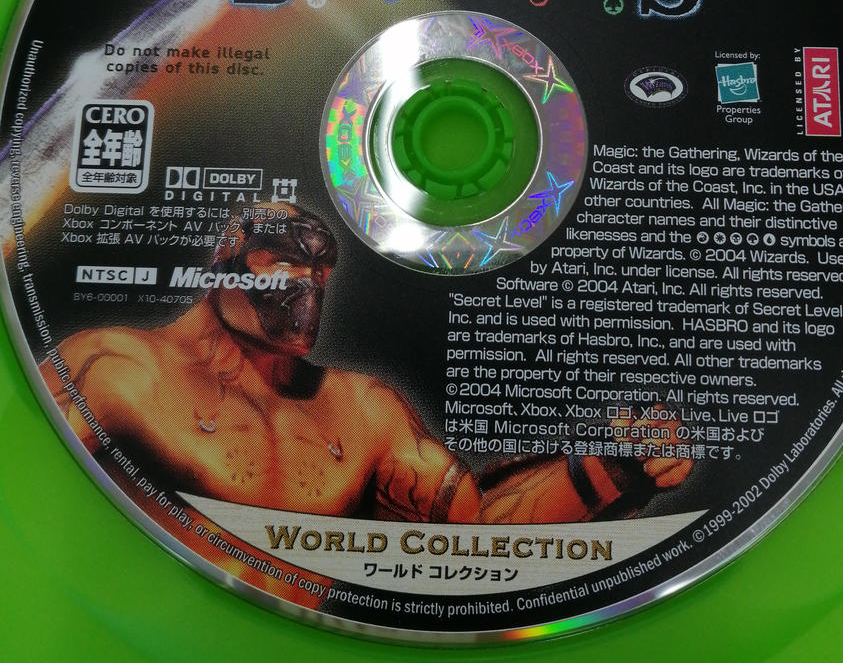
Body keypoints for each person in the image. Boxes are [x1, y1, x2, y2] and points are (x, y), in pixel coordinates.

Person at [42, 205, 692, 524]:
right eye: (281, 261)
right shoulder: (117, 369)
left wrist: (609, 470)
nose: (305, 284)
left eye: (319, 269)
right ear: (225, 262)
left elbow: (473, 537)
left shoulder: (363, 413)